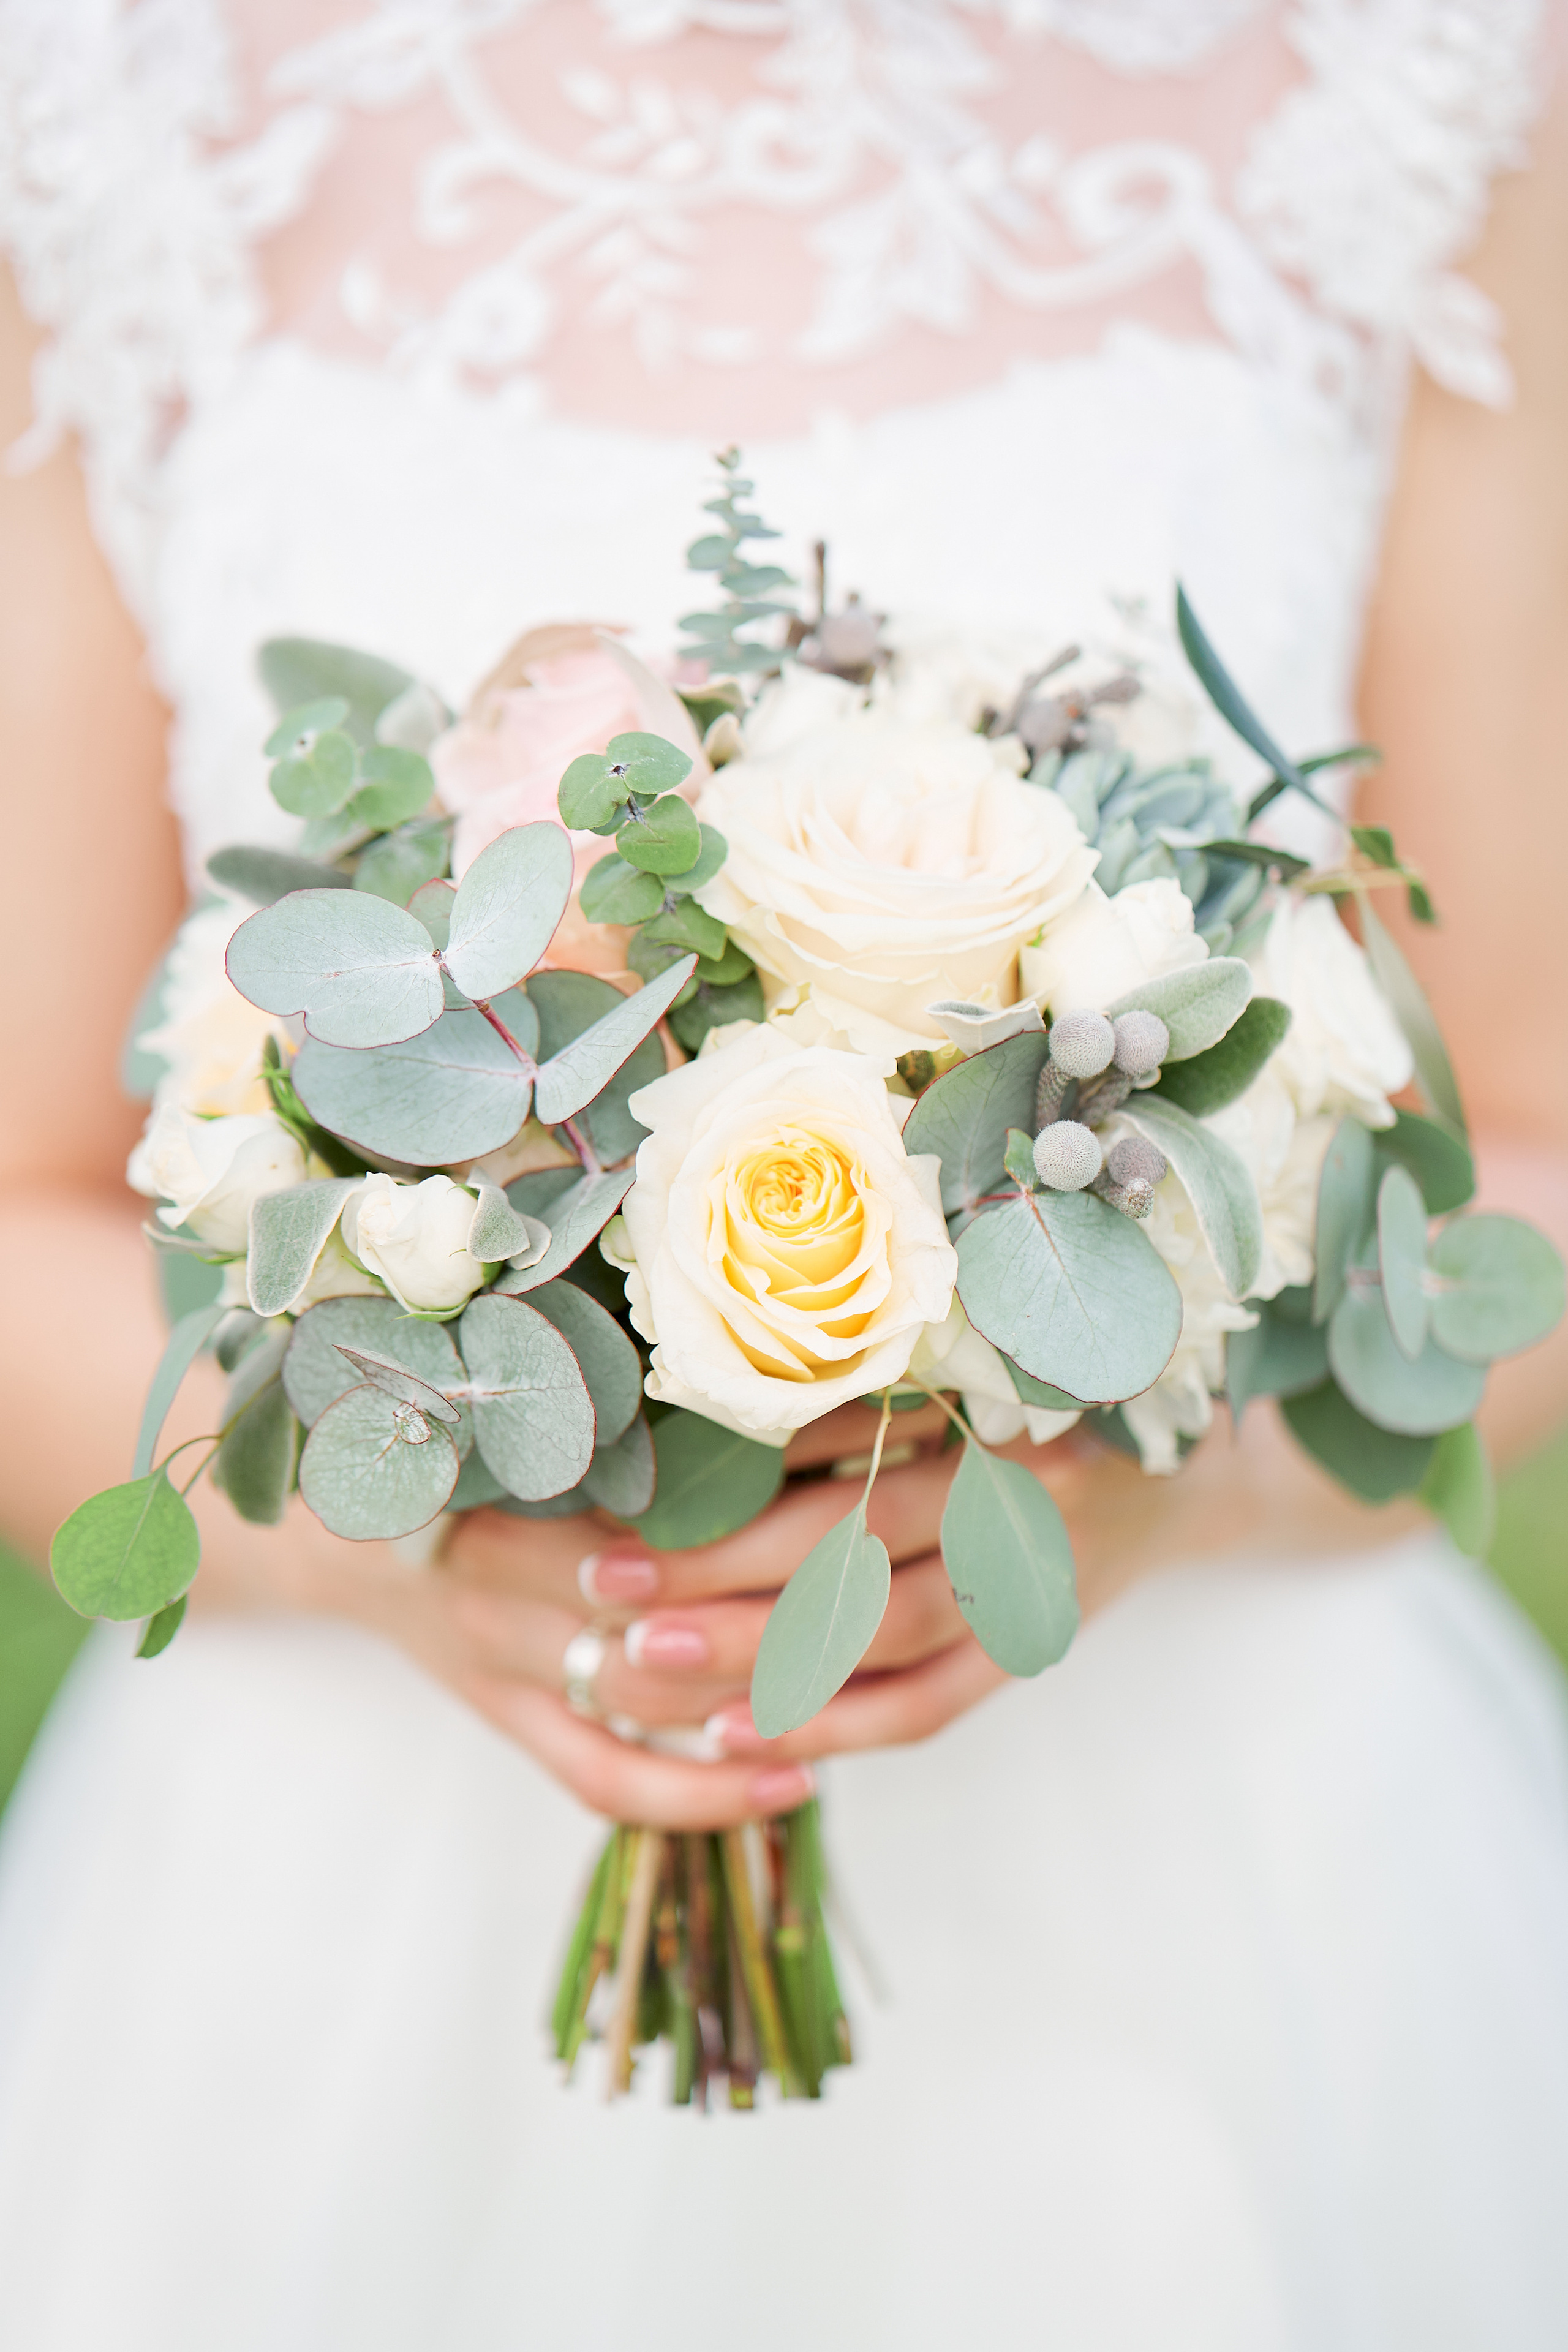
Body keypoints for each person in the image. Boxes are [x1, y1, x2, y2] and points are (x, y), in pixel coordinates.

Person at [2, 5, 1568, 2346]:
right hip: (327, 1898)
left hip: (1227, 1865)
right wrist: (400, 1547)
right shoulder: (108, 111)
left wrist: (1176, 1458)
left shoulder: (1418, 90)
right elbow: (25, 1206)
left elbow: (1528, 1170)